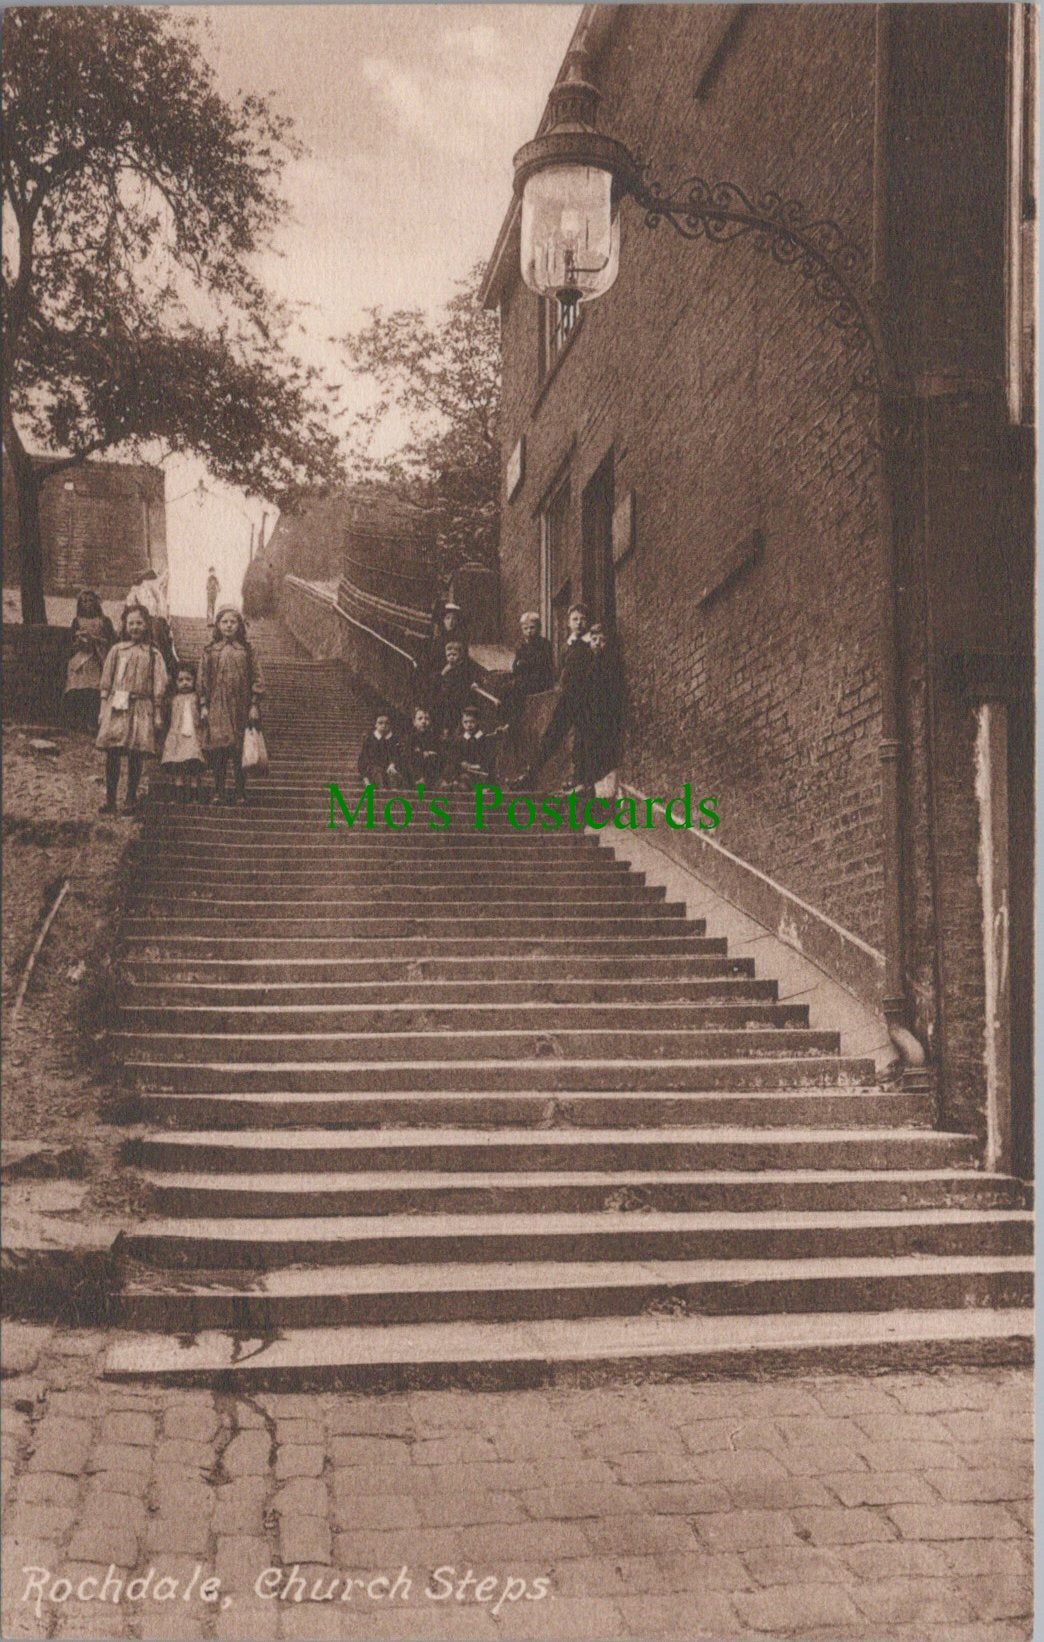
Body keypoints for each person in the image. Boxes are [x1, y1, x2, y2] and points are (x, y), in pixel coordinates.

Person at [95, 603, 169, 815]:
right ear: (125, 626)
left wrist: (156, 714)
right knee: (113, 752)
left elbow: (158, 687)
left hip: (142, 707)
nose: (135, 627)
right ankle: (110, 800)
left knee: (135, 753)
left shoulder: (153, 654)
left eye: (139, 623)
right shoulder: (117, 651)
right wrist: (102, 708)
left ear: (146, 625)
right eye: (131, 623)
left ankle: (130, 798)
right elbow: (106, 682)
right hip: (118, 706)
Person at [513, 602, 592, 790]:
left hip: (586, 699)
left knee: (582, 739)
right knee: (551, 736)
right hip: (567, 698)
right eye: (575, 619)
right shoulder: (567, 646)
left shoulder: (591, 644)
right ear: (568, 623)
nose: (579, 623)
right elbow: (562, 672)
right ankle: (531, 775)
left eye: (582, 619)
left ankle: (580, 780)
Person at [198, 606, 264, 805]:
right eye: (224, 622)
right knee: (219, 751)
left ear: (239, 625)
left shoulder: (248, 651)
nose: (228, 626)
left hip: (240, 708)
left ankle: (240, 792)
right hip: (217, 707)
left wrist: (254, 704)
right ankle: (218, 791)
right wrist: (203, 705)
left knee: (238, 751)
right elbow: (202, 680)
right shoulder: (210, 651)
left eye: (233, 622)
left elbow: (257, 678)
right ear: (218, 625)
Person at [574, 622, 625, 788]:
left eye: (601, 640)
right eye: (594, 639)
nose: (596, 643)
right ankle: (583, 781)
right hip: (589, 714)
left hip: (604, 715)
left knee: (599, 753)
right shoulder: (589, 663)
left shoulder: (610, 662)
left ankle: (590, 784)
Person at [63, 590, 116, 732]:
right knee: (79, 689)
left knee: (95, 690)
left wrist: (95, 640)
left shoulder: (105, 621)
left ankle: (93, 722)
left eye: (90, 600)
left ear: (96, 603)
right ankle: (79, 721)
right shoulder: (77, 621)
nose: (87, 604)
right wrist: (79, 641)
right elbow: (71, 642)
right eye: (84, 601)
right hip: (80, 659)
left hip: (98, 658)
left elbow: (111, 641)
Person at [161, 662, 206, 804]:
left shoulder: (197, 698)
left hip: (193, 736)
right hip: (177, 736)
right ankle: (177, 795)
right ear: (175, 682)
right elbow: (167, 718)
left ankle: (194, 796)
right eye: (180, 680)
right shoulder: (172, 700)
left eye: (188, 679)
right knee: (177, 766)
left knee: (194, 765)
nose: (185, 683)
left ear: (194, 680)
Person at [501, 611, 554, 723]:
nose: (529, 631)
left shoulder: (544, 645)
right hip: (525, 679)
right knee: (504, 688)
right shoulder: (522, 647)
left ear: (539, 628)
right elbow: (516, 667)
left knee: (516, 688)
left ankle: (515, 721)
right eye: (525, 628)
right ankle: (506, 722)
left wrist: (524, 664)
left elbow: (542, 666)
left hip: (540, 680)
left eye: (532, 627)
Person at [434, 639, 484, 738]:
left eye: (454, 655)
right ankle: (447, 733)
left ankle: (460, 736)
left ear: (460, 655)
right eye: (449, 655)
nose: (451, 657)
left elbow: (477, 676)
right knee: (447, 717)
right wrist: (443, 673)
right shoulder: (446, 668)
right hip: (448, 698)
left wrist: (476, 682)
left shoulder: (465, 667)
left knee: (459, 719)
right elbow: (438, 681)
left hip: (461, 698)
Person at [446, 706, 496, 789]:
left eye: (472, 722)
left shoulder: (484, 739)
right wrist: (461, 764)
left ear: (478, 722)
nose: (469, 725)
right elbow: (453, 759)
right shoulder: (459, 740)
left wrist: (475, 766)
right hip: (464, 774)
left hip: (481, 774)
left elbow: (488, 759)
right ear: (462, 723)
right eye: (466, 722)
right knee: (462, 782)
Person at [358, 713, 404, 788]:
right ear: (375, 725)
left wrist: (393, 764)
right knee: (377, 773)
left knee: (394, 774)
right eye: (380, 723)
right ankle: (382, 791)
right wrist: (365, 778)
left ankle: (394, 791)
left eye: (386, 723)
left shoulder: (394, 740)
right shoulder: (370, 740)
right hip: (374, 771)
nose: (383, 726)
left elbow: (398, 755)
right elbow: (362, 759)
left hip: (390, 769)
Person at [402, 705, 441, 787]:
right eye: (420, 719)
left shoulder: (436, 739)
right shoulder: (410, 739)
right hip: (414, 775)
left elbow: (441, 756)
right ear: (414, 722)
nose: (423, 721)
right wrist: (422, 754)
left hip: (431, 775)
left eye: (426, 718)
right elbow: (407, 756)